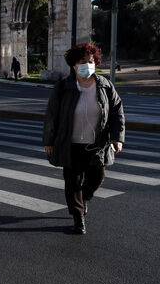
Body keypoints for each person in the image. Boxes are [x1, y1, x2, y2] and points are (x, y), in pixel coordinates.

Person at [43, 42, 125, 234]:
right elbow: (51, 115)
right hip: (70, 144)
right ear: (73, 65)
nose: (87, 65)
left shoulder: (105, 86)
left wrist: (117, 138)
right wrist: (49, 140)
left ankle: (84, 198)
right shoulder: (63, 87)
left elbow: (117, 112)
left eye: (91, 61)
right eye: (82, 61)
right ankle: (78, 218)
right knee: (73, 182)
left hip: (97, 144)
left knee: (97, 177)